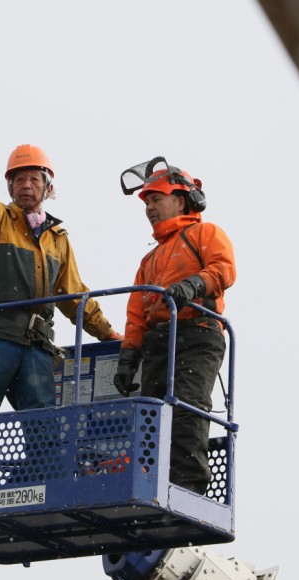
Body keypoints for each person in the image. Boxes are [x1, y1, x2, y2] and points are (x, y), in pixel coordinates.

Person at [0, 144, 122, 417]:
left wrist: (106, 333)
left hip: (37, 345)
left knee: (44, 427)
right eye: (19, 179)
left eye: (34, 179)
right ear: (10, 187)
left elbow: (73, 294)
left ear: (48, 188)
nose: (26, 185)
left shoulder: (57, 239)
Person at [113, 157, 236, 495]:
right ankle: (152, 484)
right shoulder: (149, 260)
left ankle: (187, 487)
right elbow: (136, 314)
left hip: (198, 334)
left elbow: (224, 269)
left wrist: (192, 285)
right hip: (158, 343)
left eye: (156, 199)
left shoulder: (206, 234)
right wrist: (128, 357)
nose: (149, 208)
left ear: (181, 201)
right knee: (151, 417)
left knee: (185, 406)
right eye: (147, 202)